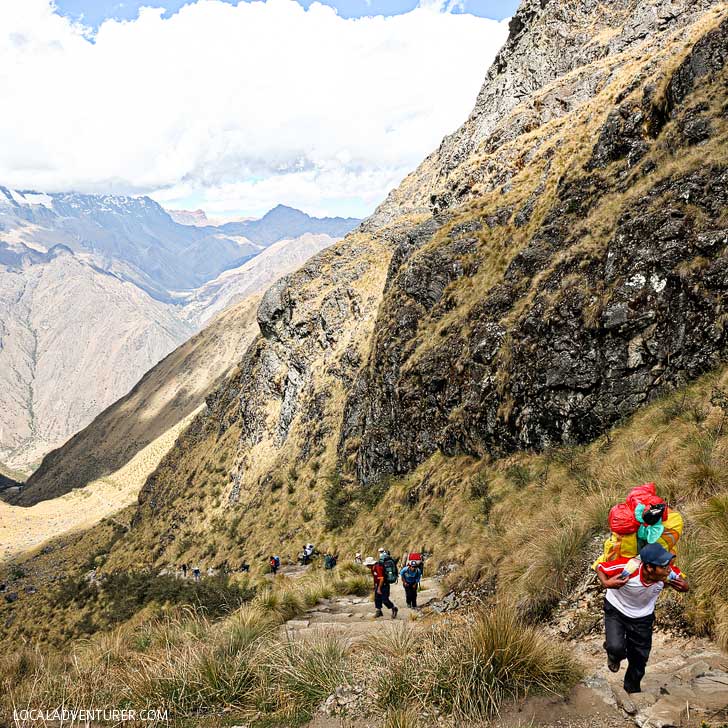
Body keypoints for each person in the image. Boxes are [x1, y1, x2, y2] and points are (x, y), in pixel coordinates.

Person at [596, 543, 689, 693]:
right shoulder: (628, 568)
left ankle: (632, 690)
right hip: (616, 609)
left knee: (639, 658)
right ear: (649, 568)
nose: (669, 568)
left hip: (643, 617)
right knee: (616, 647)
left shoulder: (668, 574)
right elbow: (600, 567)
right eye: (664, 565)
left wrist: (685, 587)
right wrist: (606, 583)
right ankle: (614, 654)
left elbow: (684, 584)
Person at [364, 555, 398, 619]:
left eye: (367, 565)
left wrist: (379, 589)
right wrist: (374, 586)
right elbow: (375, 578)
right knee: (377, 599)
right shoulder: (372, 568)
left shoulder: (378, 567)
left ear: (370, 564)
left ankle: (394, 608)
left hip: (384, 586)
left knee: (385, 600)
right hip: (378, 585)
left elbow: (382, 579)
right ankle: (379, 611)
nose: (366, 566)